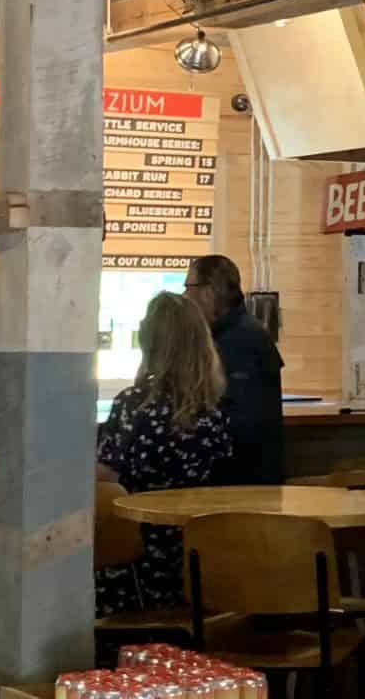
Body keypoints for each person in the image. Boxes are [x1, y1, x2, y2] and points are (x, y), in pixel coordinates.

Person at [97, 291, 232, 613]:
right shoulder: (213, 412)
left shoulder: (133, 404)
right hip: (201, 553)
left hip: (135, 556)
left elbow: (105, 477)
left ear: (149, 343)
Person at [185, 253, 285, 484]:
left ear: (208, 293)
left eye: (188, 287)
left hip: (242, 489)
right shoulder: (243, 334)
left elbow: (240, 425)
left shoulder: (240, 343)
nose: (184, 296)